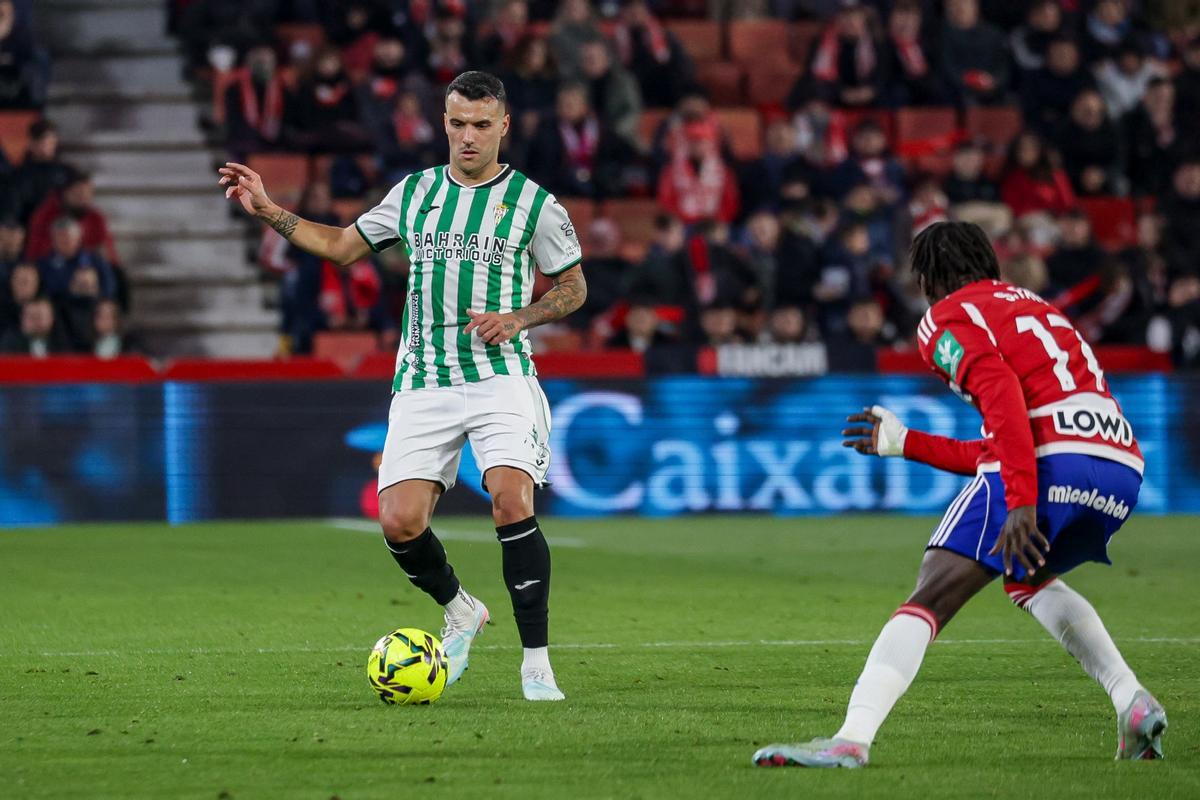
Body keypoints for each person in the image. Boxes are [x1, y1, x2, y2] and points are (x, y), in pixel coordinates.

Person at [219, 71, 586, 702]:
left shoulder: (536, 204)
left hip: (501, 375)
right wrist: (268, 209)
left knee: (510, 500)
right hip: (423, 380)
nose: (467, 137)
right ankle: (462, 609)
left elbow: (573, 287)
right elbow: (338, 247)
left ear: (503, 127)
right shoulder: (415, 193)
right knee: (398, 521)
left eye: (480, 125)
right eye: (456, 124)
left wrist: (519, 318)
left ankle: (536, 662)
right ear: (443, 124)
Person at [753, 221, 1166, 769]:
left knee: (932, 592)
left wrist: (1020, 501)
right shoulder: (1038, 308)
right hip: (1120, 464)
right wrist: (908, 443)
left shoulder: (945, 318)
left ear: (926, 278)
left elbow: (1003, 396)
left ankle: (851, 738)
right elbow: (1012, 438)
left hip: (1049, 463)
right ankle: (1131, 699)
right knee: (1030, 578)